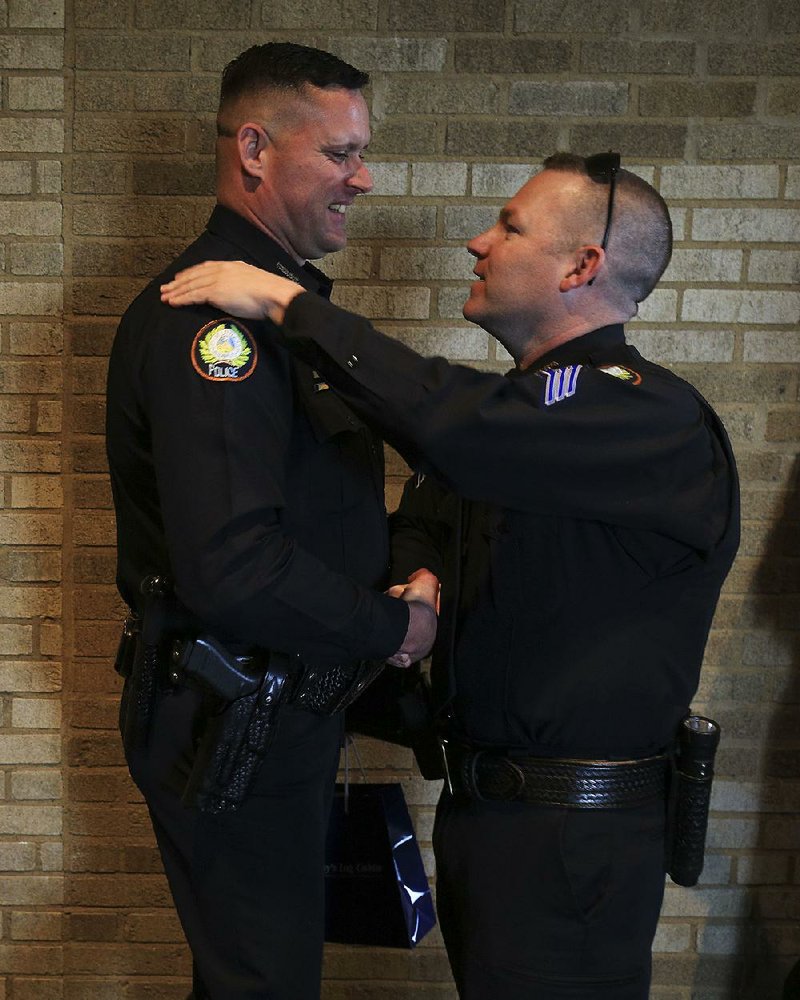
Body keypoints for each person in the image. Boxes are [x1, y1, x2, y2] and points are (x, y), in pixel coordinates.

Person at [160, 152, 740, 1000]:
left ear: (583, 266)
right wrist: (422, 578)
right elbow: (429, 515)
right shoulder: (526, 412)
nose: (479, 243)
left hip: (575, 844)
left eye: (509, 228)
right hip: (489, 819)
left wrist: (288, 306)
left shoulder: (644, 414)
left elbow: (458, 434)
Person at [105, 42, 437, 1000]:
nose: (362, 177)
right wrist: (397, 628)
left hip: (275, 711)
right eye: (339, 153)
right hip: (232, 720)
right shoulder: (217, 323)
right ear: (254, 148)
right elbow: (234, 569)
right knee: (264, 982)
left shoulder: (275, 304)